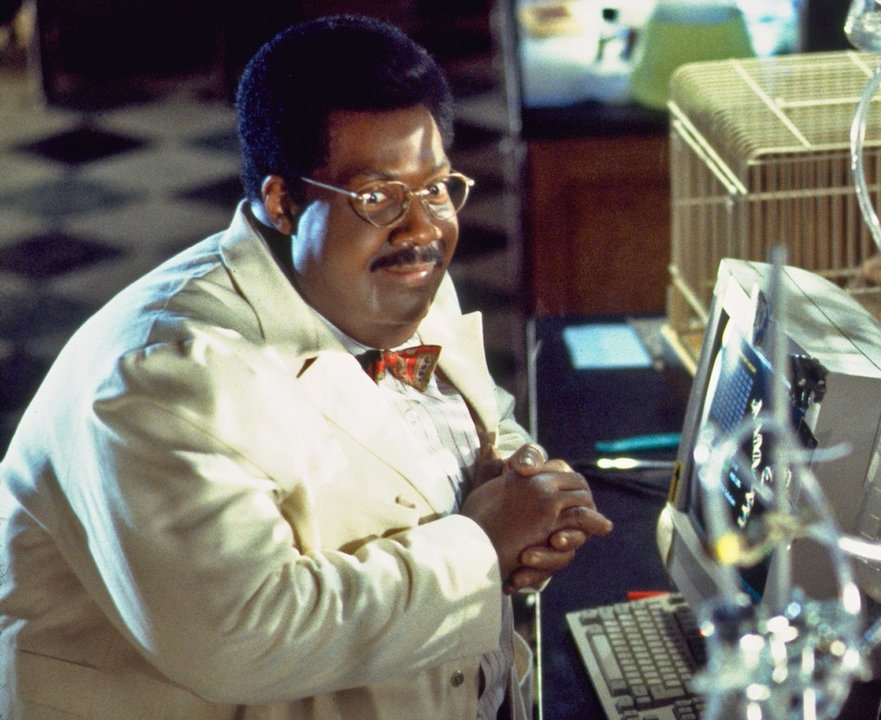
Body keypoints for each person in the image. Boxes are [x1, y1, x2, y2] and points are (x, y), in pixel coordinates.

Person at [0, 14, 612, 719]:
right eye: (376, 197)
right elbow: (241, 638)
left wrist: (531, 495)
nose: (422, 229)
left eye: (437, 188)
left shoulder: (396, 280)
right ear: (282, 202)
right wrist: (486, 546)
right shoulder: (161, 378)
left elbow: (474, 430)